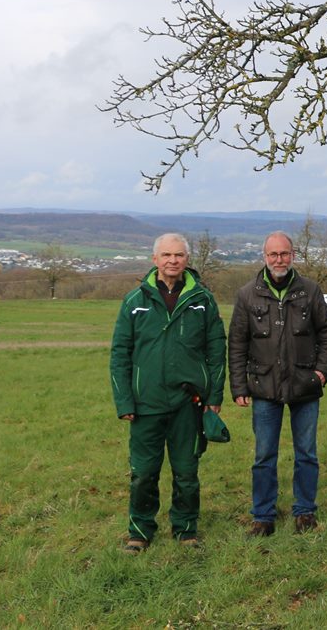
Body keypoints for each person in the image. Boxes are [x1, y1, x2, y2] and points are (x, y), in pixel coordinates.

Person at [110, 233, 225, 553]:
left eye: (179, 255)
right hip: (145, 403)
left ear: (187, 260)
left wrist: (214, 397)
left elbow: (217, 349)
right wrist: (124, 400)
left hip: (188, 403)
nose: (173, 260)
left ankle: (186, 529)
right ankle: (140, 530)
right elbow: (120, 353)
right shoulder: (135, 302)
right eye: (166, 255)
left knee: (187, 472)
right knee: (143, 473)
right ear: (155, 260)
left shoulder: (203, 300)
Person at [228, 231, 327, 536]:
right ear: (264, 257)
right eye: (274, 255)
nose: (280, 260)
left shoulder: (311, 291)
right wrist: (239, 386)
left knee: (307, 452)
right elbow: (237, 344)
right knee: (264, 455)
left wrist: (321, 373)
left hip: (305, 384)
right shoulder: (247, 295)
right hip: (264, 386)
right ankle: (263, 515)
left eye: (285, 254)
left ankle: (305, 511)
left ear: (294, 255)